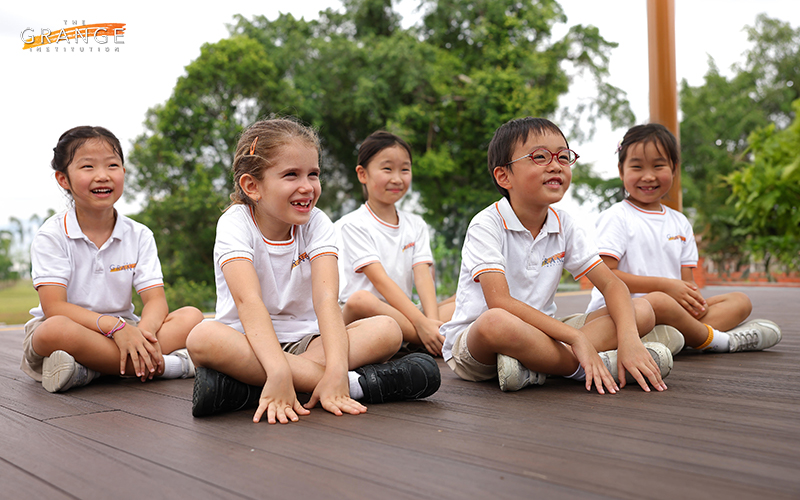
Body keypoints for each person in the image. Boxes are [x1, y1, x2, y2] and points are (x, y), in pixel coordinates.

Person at [186, 119, 440, 424]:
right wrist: (279, 369)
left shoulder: (317, 223)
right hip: (247, 341)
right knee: (202, 337)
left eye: (313, 174)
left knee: (387, 330)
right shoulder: (235, 223)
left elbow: (326, 300)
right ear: (252, 186)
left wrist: (334, 368)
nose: (307, 187)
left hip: (306, 340)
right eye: (291, 175)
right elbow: (248, 301)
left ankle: (248, 390)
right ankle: (358, 385)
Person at [440, 117, 673, 394]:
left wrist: (630, 341)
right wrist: (576, 337)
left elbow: (612, 284)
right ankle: (582, 367)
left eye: (563, 157)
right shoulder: (486, 224)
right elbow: (499, 302)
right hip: (477, 347)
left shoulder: (565, 223)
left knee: (641, 311)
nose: (555, 165)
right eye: (539, 156)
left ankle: (535, 367)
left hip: (545, 335)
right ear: (504, 176)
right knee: (495, 321)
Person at [21, 126, 203, 393]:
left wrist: (144, 334)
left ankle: (89, 369)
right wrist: (113, 327)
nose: (103, 176)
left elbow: (155, 300)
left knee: (191, 316)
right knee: (54, 330)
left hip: (128, 329)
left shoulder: (139, 234)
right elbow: (54, 308)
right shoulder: (52, 234)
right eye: (88, 167)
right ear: (63, 179)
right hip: (75, 330)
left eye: (113, 165)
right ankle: (171, 366)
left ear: (124, 173)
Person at [584, 123, 781, 354]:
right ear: (621, 171)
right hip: (624, 314)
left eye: (658, 166)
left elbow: (687, 284)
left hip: (672, 315)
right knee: (656, 300)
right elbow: (606, 275)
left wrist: (692, 302)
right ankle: (720, 341)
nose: (648, 176)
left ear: (674, 169)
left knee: (740, 301)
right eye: (637, 167)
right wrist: (666, 286)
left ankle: (676, 337)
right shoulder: (616, 216)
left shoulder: (680, 222)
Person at [337, 131, 454, 356]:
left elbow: (422, 275)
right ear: (362, 174)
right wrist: (421, 322)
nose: (397, 178)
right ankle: (428, 337)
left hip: (404, 314)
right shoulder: (352, 225)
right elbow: (380, 280)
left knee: (464, 299)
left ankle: (427, 336)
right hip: (367, 314)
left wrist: (430, 321)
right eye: (387, 169)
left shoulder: (415, 224)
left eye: (405, 169)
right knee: (361, 300)